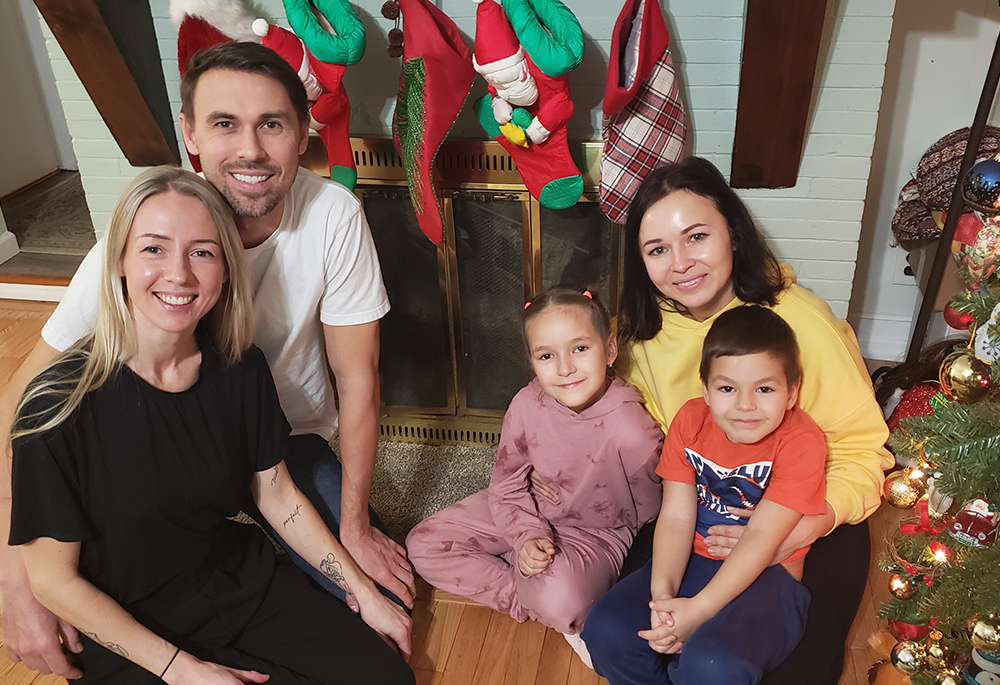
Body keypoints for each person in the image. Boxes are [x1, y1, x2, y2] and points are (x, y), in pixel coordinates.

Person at [0, 42, 416, 678]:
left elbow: (358, 381)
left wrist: (355, 532)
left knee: (381, 608)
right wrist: (17, 570)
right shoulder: (148, 226)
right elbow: (21, 414)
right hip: (152, 480)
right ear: (191, 133)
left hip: (279, 445)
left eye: (271, 124)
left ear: (302, 133)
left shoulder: (328, 221)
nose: (249, 149)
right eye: (225, 123)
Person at [543, 157, 893, 684]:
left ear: (732, 231)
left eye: (696, 237)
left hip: (810, 513)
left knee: (783, 669)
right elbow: (662, 460)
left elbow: (864, 454)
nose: (680, 263)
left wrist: (790, 533)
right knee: (620, 630)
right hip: (700, 502)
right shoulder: (643, 333)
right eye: (657, 249)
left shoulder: (800, 324)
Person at [406, 287, 662, 658]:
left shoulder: (632, 430)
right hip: (527, 508)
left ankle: (542, 591)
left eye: (579, 349)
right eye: (546, 355)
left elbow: (648, 517)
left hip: (595, 535)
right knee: (422, 544)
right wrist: (526, 535)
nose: (564, 368)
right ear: (532, 362)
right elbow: (506, 485)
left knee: (561, 600)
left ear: (609, 349)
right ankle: (527, 587)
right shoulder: (526, 404)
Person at [583, 305, 826, 683]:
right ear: (707, 391)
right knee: (605, 630)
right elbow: (677, 516)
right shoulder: (690, 420)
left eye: (764, 389)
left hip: (768, 576)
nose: (745, 405)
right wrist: (661, 598)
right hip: (696, 559)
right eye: (728, 389)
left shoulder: (802, 440)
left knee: (711, 664)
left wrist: (698, 611)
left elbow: (763, 536)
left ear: (792, 392)